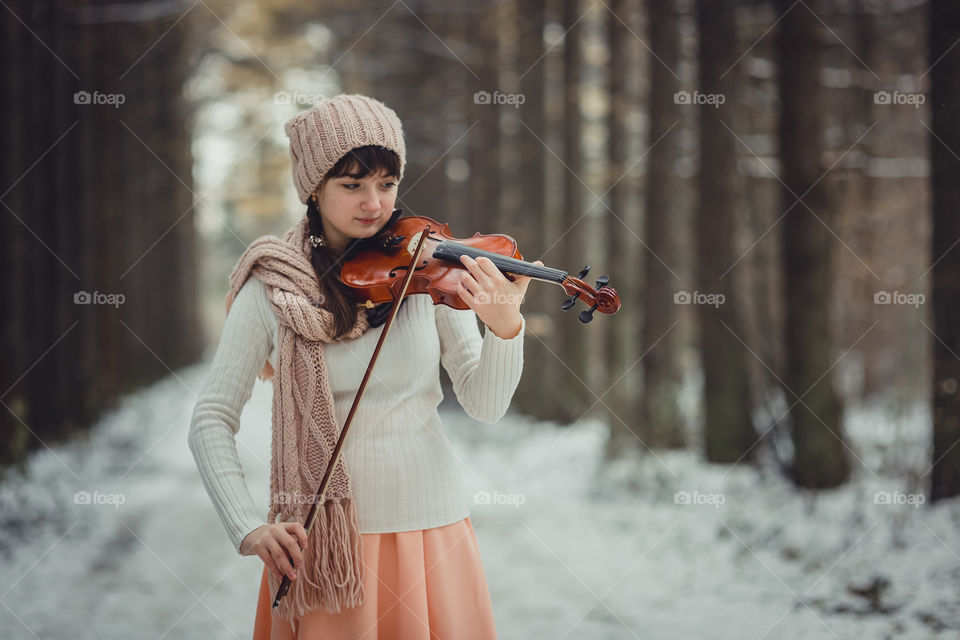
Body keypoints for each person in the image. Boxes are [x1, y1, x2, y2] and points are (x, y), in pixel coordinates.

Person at [187, 94, 541, 639]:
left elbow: (485, 405)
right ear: (313, 189)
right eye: (352, 185)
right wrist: (248, 526)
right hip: (326, 551)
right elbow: (212, 417)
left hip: (432, 527)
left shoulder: (426, 268)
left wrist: (505, 327)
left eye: (387, 183)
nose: (374, 203)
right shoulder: (272, 289)